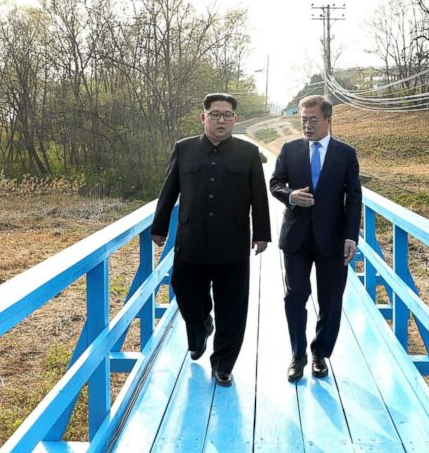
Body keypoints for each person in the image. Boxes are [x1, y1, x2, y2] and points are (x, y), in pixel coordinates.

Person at [151, 93, 271, 387]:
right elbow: (169, 191)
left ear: (235, 119)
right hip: (191, 241)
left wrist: (263, 234)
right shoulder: (185, 149)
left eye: (227, 115)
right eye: (215, 114)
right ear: (203, 117)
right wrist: (159, 226)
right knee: (184, 289)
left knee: (233, 307)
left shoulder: (248, 153)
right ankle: (201, 326)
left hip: (233, 244)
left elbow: (259, 196)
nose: (221, 120)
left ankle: (223, 364)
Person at [270, 95, 362, 382]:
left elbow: (354, 197)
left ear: (327, 120)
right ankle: (297, 355)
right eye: (303, 120)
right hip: (296, 238)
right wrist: (290, 196)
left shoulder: (346, 153)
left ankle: (320, 354)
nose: (307, 125)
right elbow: (275, 184)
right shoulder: (290, 149)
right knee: (295, 296)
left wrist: (351, 236)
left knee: (331, 300)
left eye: (312, 120)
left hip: (333, 239)